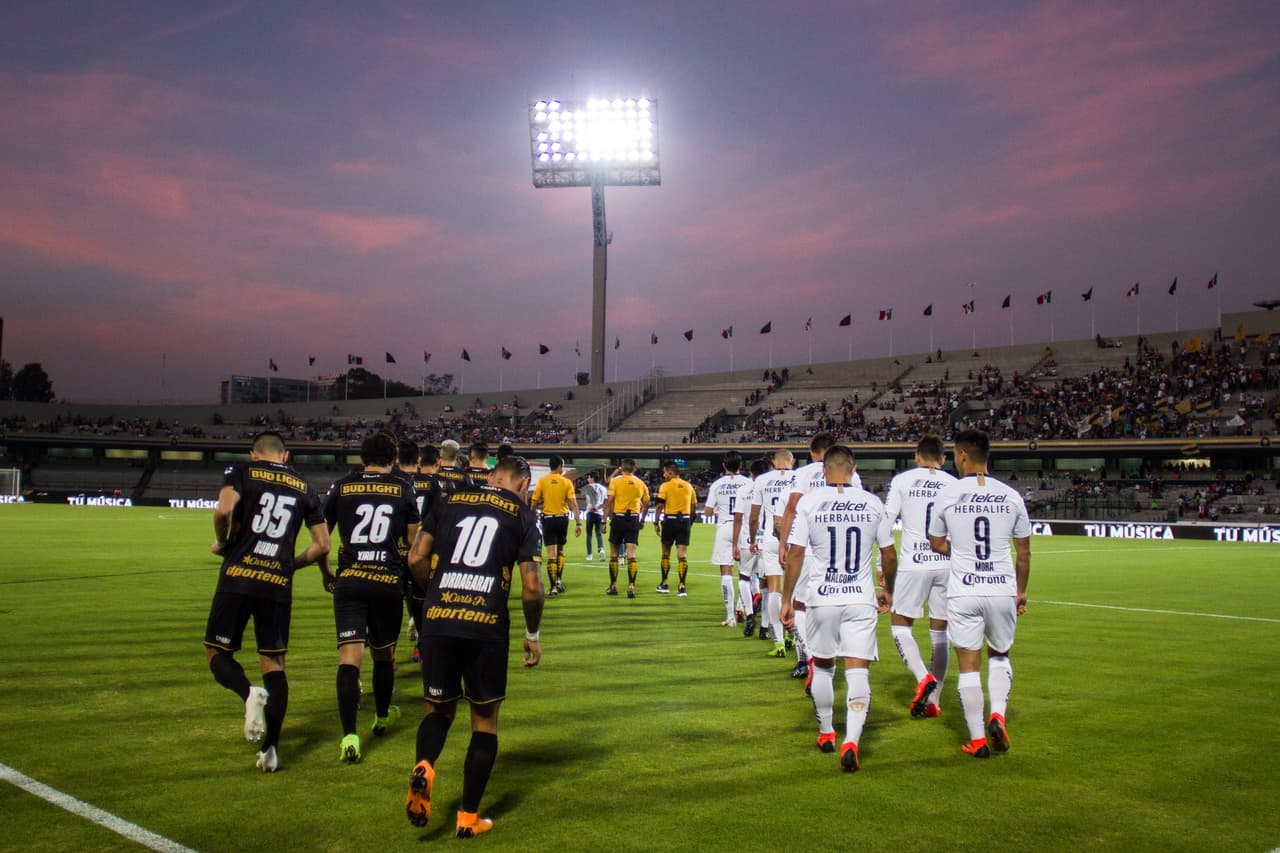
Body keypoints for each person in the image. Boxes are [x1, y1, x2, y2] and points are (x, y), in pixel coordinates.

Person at [404, 456, 544, 837]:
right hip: (486, 625)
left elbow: (415, 557)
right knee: (484, 721)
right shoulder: (523, 515)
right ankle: (467, 818)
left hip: (439, 617)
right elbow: (532, 586)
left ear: (492, 476)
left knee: (438, 709)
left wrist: (432, 594)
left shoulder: (448, 499)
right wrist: (532, 634)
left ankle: (424, 765)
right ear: (523, 484)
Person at [203, 430, 332, 773]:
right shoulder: (304, 486)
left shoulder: (241, 471)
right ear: (285, 456)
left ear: (254, 454)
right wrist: (290, 565)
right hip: (277, 583)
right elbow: (322, 546)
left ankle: (248, 693)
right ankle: (271, 747)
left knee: (216, 652)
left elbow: (223, 512)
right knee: (274, 663)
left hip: (238, 576)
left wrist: (223, 543)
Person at [781, 445, 896, 772]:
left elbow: (796, 553)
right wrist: (888, 590)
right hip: (860, 598)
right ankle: (852, 741)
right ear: (854, 469)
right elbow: (889, 554)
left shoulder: (810, 502)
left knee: (824, 667)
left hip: (822, 599)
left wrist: (787, 599)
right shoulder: (872, 502)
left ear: (823, 471)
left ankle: (827, 731)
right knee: (858, 671)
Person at [927, 429, 1031, 758]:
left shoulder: (949, 494)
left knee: (968, 665)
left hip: (964, 590)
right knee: (999, 656)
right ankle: (997, 714)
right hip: (1002, 588)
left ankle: (977, 739)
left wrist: (960, 552)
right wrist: (1021, 592)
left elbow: (935, 542)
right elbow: (1024, 553)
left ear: (962, 455)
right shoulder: (1011, 496)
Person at [323, 432, 421, 762]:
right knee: (382, 654)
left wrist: (326, 570)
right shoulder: (402, 487)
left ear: (362, 458)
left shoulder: (341, 486)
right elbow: (413, 542)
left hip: (350, 580)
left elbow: (322, 536)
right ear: (393, 458)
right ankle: (381, 716)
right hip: (387, 581)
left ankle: (349, 735)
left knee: (349, 659)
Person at [883, 434, 957, 718]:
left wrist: (881, 564)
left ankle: (922, 677)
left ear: (916, 456)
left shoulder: (902, 480)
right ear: (943, 459)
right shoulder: (953, 483)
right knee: (940, 633)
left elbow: (887, 522)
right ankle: (934, 701)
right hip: (946, 562)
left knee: (900, 625)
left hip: (913, 562)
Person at [777, 433, 861, 680]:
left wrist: (783, 544)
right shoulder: (851, 474)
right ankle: (836, 653)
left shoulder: (803, 474)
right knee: (840, 598)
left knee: (800, 604)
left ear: (812, 453)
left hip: (809, 547)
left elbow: (791, 509)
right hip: (841, 550)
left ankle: (806, 658)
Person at [745, 448, 795, 656]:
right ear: (792, 462)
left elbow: (753, 516)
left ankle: (779, 643)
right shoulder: (799, 478)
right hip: (795, 539)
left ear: (774, 462)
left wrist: (753, 539)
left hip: (771, 539)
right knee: (794, 589)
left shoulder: (762, 480)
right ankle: (794, 633)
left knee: (774, 589)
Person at [703, 451, 751, 626]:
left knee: (726, 571)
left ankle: (730, 616)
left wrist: (717, 509)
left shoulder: (717, 484)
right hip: (744, 527)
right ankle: (742, 605)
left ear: (724, 465)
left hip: (724, 528)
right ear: (741, 465)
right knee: (746, 572)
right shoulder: (748, 483)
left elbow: (708, 512)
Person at [407, 444, 445, 664]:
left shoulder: (403, 482)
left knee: (401, 596)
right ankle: (422, 644)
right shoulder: (435, 484)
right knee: (425, 595)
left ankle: (387, 654)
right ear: (438, 461)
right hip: (425, 548)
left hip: (398, 549)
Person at [731, 457, 771, 636]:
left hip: (748, 539)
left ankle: (749, 614)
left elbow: (738, 517)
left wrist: (734, 544)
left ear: (751, 474)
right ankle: (765, 628)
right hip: (768, 540)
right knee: (767, 584)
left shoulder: (744, 490)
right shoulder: (772, 489)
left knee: (744, 577)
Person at [530, 454, 580, 596]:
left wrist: (532, 516)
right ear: (559, 466)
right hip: (562, 519)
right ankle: (558, 580)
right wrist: (578, 523)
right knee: (560, 551)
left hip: (548, 519)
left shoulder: (542, 481)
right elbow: (573, 504)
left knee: (551, 554)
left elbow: (534, 503)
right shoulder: (566, 482)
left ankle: (552, 588)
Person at [603, 459, 650, 598]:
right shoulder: (640, 483)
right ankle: (631, 587)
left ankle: (613, 586)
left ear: (622, 468)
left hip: (618, 518)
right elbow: (646, 504)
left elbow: (609, 502)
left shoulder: (615, 481)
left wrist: (604, 521)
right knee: (631, 554)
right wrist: (642, 520)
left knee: (614, 554)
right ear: (634, 469)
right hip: (633, 519)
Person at [652, 461, 697, 593]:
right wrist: (690, 522)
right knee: (682, 555)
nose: (663, 475)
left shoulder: (665, 486)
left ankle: (664, 584)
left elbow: (659, 505)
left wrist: (656, 522)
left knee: (666, 553)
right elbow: (693, 507)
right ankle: (682, 586)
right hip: (684, 521)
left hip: (670, 521)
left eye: (665, 472)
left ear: (671, 473)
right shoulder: (688, 486)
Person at [581, 472, 607, 560]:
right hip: (599, 513)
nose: (588, 479)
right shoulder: (603, 488)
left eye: (589, 477)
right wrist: (598, 508)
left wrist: (593, 507)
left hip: (590, 512)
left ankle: (589, 555)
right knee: (598, 533)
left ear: (592, 478)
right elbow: (605, 502)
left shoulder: (589, 487)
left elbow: (591, 499)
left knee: (589, 534)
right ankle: (601, 549)